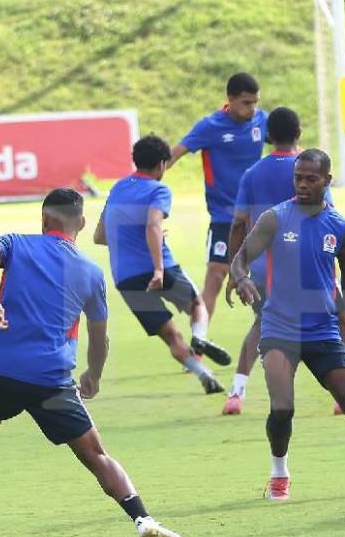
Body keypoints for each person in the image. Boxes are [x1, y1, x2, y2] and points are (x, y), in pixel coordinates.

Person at [0, 188, 185, 537]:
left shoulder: (17, 244)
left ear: (44, 218)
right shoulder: (91, 273)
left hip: (0, 371)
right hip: (50, 380)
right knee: (96, 454)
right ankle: (143, 520)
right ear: (81, 223)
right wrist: (93, 374)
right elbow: (100, 337)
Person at [231, 150, 345, 501]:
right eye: (298, 178)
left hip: (323, 330)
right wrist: (241, 278)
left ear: (327, 181)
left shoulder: (339, 227)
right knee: (282, 406)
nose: (303, 184)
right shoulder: (276, 218)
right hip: (279, 329)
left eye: (311, 178)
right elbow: (240, 257)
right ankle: (279, 474)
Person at [94, 136, 229, 394]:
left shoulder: (118, 188)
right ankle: (200, 337)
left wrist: (132, 239)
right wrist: (157, 268)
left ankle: (204, 375)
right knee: (197, 306)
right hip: (160, 267)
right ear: (162, 165)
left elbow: (100, 237)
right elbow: (153, 224)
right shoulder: (158, 190)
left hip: (126, 278)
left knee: (171, 336)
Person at [223, 107, 317, 414]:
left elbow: (238, 224)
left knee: (262, 324)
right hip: (306, 265)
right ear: (298, 133)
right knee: (337, 320)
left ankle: (236, 392)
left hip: (263, 268)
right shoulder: (308, 170)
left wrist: (234, 272)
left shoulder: (252, 174)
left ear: (267, 137)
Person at [168, 72, 268, 330]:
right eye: (247, 102)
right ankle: (198, 343)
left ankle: (289, 336)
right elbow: (175, 153)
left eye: (255, 102)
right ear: (231, 99)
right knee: (215, 274)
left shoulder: (261, 121)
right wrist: (145, 179)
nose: (252, 108)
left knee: (273, 276)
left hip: (259, 216)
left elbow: (287, 145)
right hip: (224, 217)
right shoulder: (209, 126)